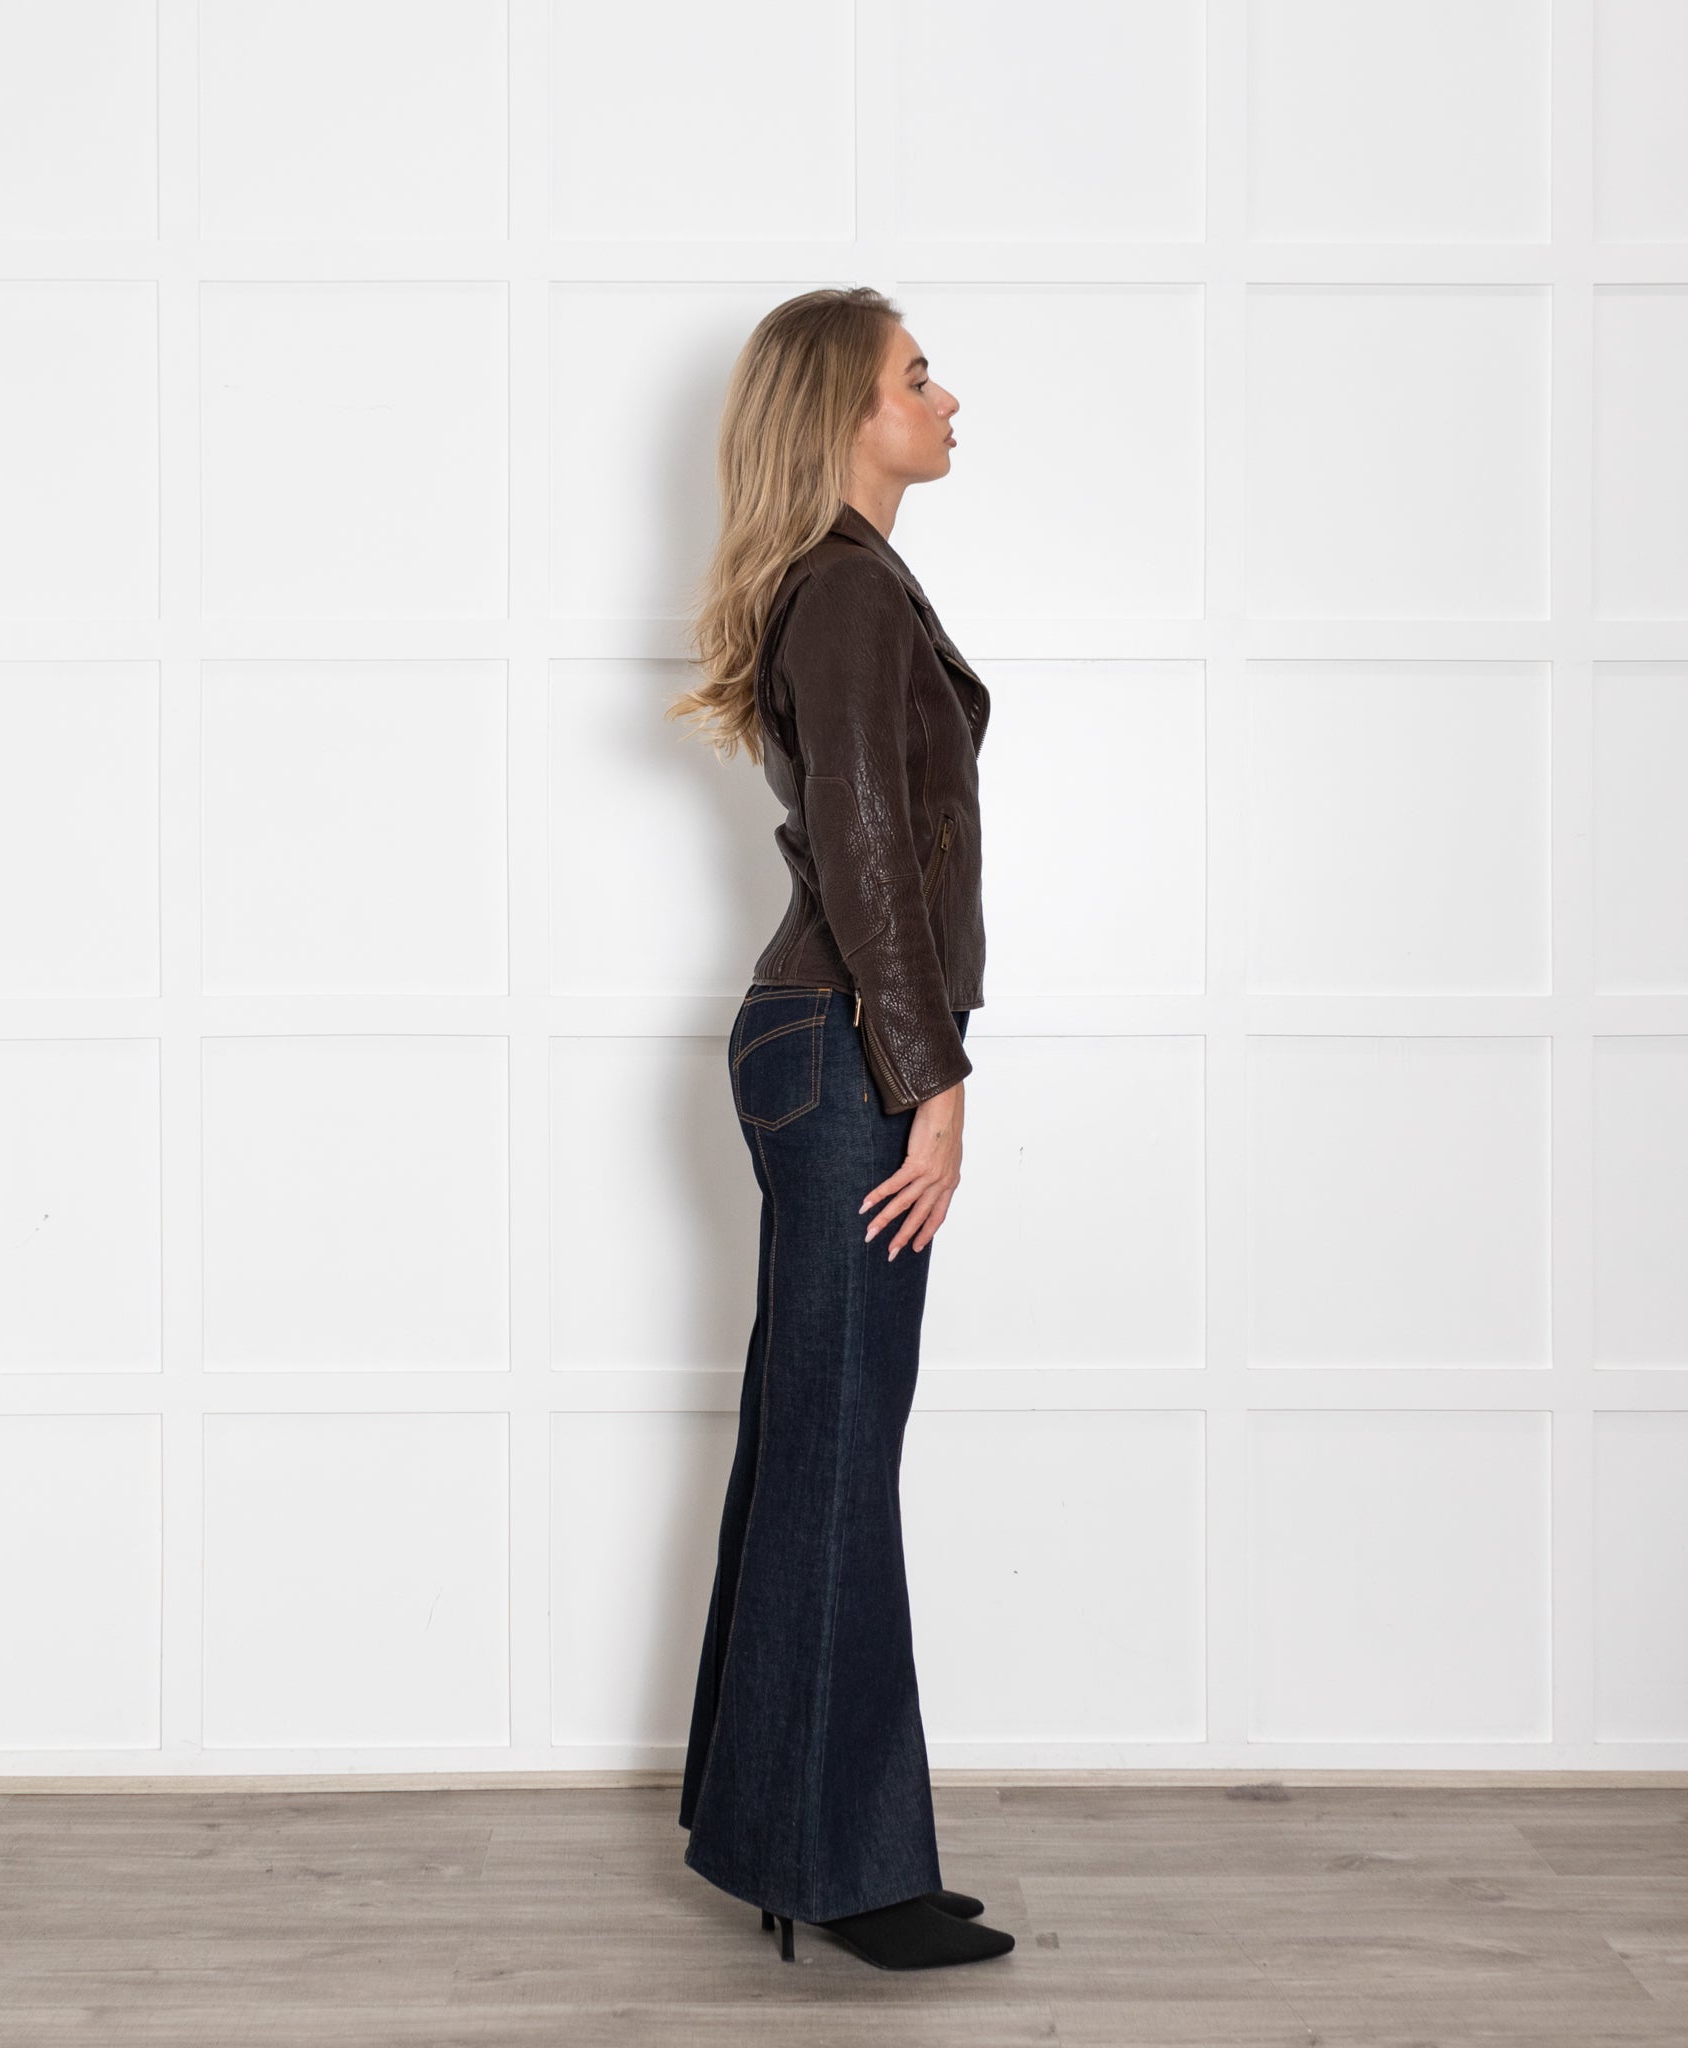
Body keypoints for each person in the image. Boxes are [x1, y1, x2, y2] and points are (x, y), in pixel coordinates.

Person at [663, 288, 1015, 1973]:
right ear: (845, 415)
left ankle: (807, 1839)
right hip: (851, 1053)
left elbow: (869, 833)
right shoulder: (850, 591)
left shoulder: (846, 585)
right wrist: (929, 1075)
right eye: (915, 377)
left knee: (821, 1444)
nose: (946, 398)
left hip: (827, 1043)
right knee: (835, 1453)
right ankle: (840, 1866)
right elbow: (866, 841)